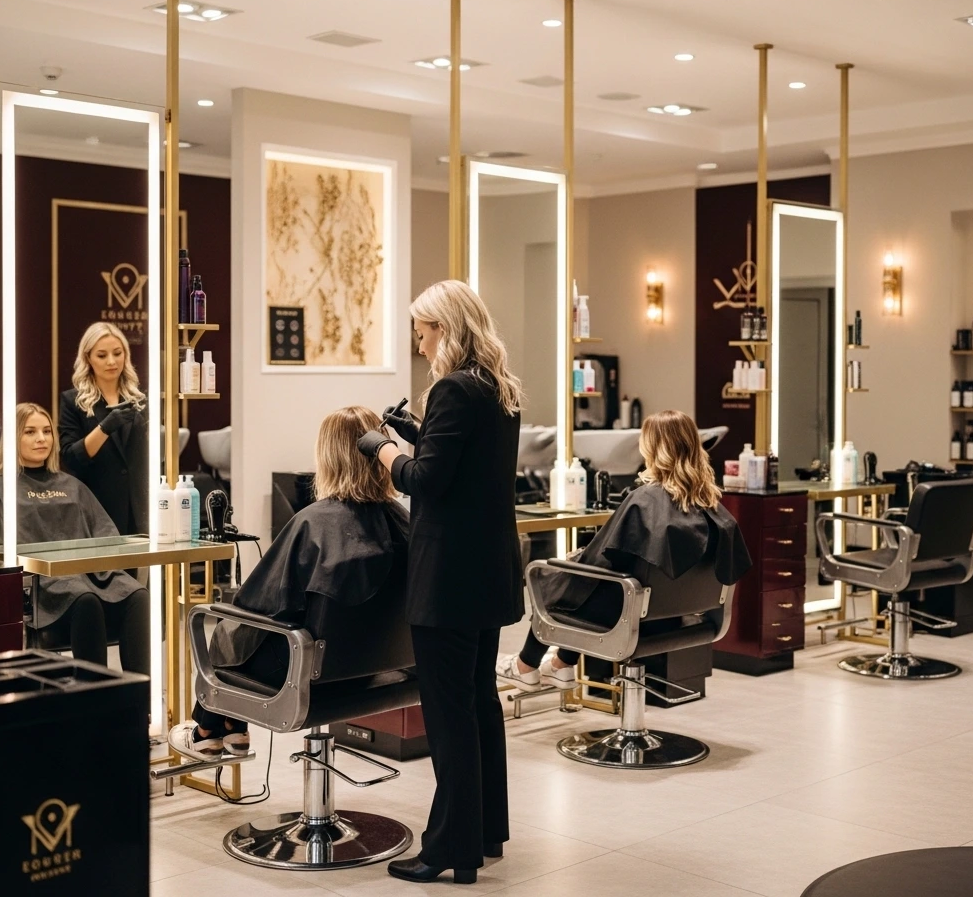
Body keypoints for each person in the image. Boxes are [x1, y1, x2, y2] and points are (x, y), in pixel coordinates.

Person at [358, 280, 523, 886]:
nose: (420, 345)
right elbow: (462, 467)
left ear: (446, 329)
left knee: (450, 714)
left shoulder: (453, 388)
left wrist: (383, 449)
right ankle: (485, 832)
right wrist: (416, 433)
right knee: (479, 703)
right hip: (487, 571)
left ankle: (449, 848)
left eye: (423, 332)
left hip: (450, 577)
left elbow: (425, 482)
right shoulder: (498, 389)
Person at [168, 405, 409, 760]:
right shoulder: (405, 522)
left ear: (328, 458)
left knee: (233, 629)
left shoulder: (313, 524)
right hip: (378, 671)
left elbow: (259, 604)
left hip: (310, 673)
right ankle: (230, 728)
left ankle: (207, 730)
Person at [496, 410, 751, 692]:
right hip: (674, 616)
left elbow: (600, 564)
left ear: (652, 447)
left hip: (629, 615)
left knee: (560, 581)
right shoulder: (711, 504)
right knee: (589, 586)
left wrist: (574, 561)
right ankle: (560, 665)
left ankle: (525, 667)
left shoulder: (646, 499)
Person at [4, 402, 149, 673]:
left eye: (47, 431)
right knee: (84, 599)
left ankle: (138, 696)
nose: (41, 438)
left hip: (92, 576)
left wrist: (105, 565)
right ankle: (93, 695)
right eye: (30, 432)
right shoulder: (1, 488)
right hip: (43, 585)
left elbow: (105, 533)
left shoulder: (71, 484)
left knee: (138, 595)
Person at [59, 322, 148, 535]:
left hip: (138, 508)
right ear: (88, 358)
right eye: (101, 355)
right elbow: (71, 457)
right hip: (96, 506)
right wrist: (104, 428)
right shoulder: (73, 402)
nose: (111, 361)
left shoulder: (139, 401)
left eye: (117, 353)